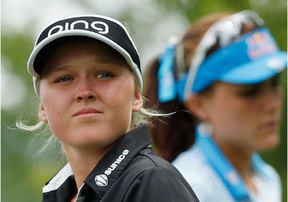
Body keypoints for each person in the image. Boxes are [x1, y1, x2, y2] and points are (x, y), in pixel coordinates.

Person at [18, 14, 200, 202]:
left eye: (104, 74)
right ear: (42, 107)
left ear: (137, 96)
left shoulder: (154, 182)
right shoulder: (62, 192)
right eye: (64, 78)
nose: (84, 92)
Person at [144, 10, 287, 202]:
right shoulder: (188, 189)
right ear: (198, 105)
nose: (272, 104)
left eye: (275, 83)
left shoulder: (266, 178)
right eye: (249, 91)